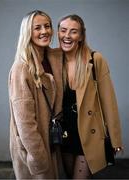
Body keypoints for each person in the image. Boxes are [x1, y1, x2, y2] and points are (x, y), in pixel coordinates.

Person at [57, 14, 123, 179]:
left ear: (81, 36)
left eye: (73, 32)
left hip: (88, 134)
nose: (67, 36)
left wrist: (115, 139)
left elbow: (109, 101)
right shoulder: (53, 60)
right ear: (57, 32)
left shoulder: (95, 59)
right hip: (63, 134)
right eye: (63, 30)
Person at [8, 10, 63, 179]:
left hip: (52, 142)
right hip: (34, 149)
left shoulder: (54, 58)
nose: (44, 31)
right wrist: (38, 156)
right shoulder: (21, 68)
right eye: (37, 28)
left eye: (47, 26)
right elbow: (24, 122)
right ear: (27, 32)